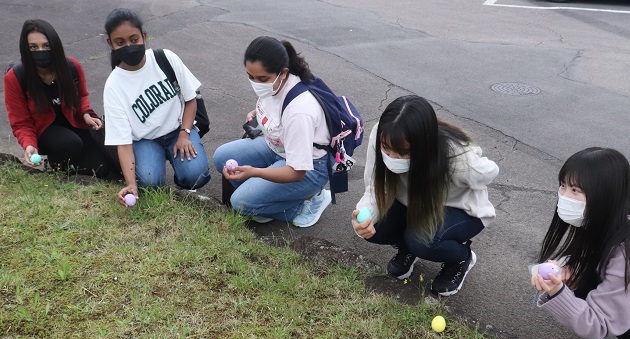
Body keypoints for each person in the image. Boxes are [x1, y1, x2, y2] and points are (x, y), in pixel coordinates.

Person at [352, 95, 499, 296]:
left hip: (459, 209)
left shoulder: (456, 159)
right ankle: (408, 248)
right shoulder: (381, 134)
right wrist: (365, 216)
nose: (392, 158)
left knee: (422, 240)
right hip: (414, 204)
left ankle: (461, 258)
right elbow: (375, 188)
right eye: (387, 149)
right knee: (375, 226)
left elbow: (490, 171)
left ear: (425, 146)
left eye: (403, 152)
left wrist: (467, 163)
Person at [212, 36, 332, 227]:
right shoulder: (274, 85)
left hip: (308, 167)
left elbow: (296, 172)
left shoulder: (299, 111)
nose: (256, 83)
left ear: (283, 73)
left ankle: (310, 199)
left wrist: (255, 173)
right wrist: (255, 114)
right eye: (250, 77)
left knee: (240, 203)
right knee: (221, 157)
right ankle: (264, 202)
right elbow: (271, 106)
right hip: (276, 147)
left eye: (262, 79)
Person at [103, 8, 210, 206]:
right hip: (144, 140)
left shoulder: (165, 58)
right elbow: (123, 142)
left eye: (134, 39)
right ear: (111, 43)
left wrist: (184, 135)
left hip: (178, 130)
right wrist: (131, 184)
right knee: (150, 184)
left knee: (196, 175)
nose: (129, 46)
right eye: (120, 42)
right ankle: (157, 166)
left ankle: (182, 176)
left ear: (143, 36)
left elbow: (190, 99)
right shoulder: (113, 85)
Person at [531, 148, 630, 339]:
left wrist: (557, 292)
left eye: (576, 190)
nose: (565, 196)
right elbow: (597, 258)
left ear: (605, 194)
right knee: (586, 283)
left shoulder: (625, 251)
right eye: (563, 185)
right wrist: (574, 269)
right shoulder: (607, 219)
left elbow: (599, 323)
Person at [4, 19, 114, 178]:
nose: (40, 51)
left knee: (101, 169)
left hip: (73, 122)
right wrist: (29, 144)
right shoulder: (15, 77)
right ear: (25, 50)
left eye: (46, 46)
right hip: (44, 131)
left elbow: (82, 95)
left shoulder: (71, 67)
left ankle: (67, 164)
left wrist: (85, 113)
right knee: (70, 143)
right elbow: (20, 122)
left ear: (55, 45)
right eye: (33, 47)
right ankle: (52, 164)